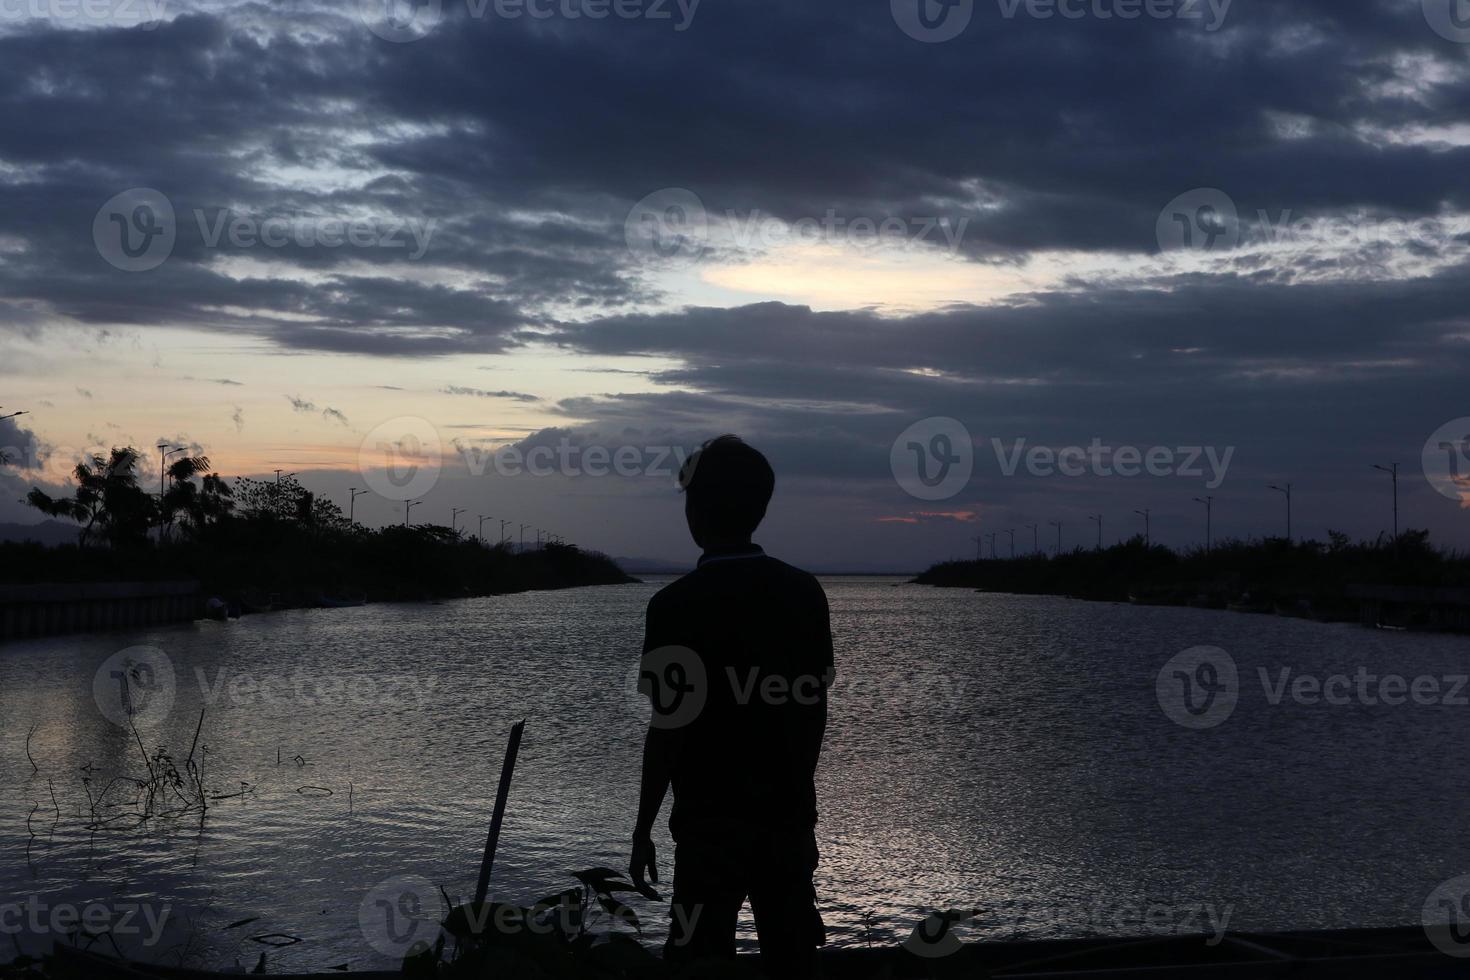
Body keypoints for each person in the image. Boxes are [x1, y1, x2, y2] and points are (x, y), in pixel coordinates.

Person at [629, 435, 834, 978]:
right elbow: (814, 712)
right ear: (760, 508)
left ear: (695, 511)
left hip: (706, 830)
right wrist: (791, 794)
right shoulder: (804, 594)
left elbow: (666, 729)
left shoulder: (673, 606)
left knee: (697, 955)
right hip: (787, 823)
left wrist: (643, 825)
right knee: (793, 956)